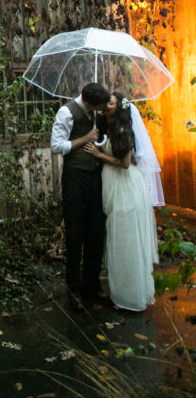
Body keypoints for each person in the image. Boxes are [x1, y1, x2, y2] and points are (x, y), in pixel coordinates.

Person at [84, 92, 159, 312]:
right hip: (113, 187)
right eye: (106, 102)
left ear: (119, 108)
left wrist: (99, 156)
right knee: (117, 241)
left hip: (126, 188)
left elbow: (125, 163)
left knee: (126, 242)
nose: (106, 105)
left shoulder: (124, 130)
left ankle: (131, 297)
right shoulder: (105, 127)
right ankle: (121, 294)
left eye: (110, 103)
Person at [51, 81, 110, 310]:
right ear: (89, 102)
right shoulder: (66, 112)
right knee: (75, 234)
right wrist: (84, 139)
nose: (100, 111)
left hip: (96, 177)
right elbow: (56, 146)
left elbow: (102, 141)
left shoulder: (96, 115)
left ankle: (92, 286)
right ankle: (73, 292)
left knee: (96, 233)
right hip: (75, 178)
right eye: (99, 107)